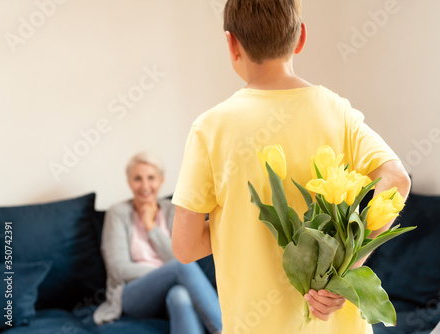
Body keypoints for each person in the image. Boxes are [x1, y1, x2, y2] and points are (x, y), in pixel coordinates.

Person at [171, 1, 411, 333]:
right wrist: (343, 268)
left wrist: (239, 223)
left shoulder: (211, 127)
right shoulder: (336, 111)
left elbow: (184, 247)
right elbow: (397, 179)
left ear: (231, 43)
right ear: (300, 37)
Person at [93, 151, 222, 334]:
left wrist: (151, 227)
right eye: (137, 178)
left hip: (173, 288)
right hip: (133, 294)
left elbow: (181, 255)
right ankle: (225, 329)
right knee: (181, 267)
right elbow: (118, 268)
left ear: (161, 180)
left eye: (151, 178)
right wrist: (166, 273)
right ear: (129, 182)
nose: (145, 185)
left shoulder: (173, 211)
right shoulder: (117, 213)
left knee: (180, 296)